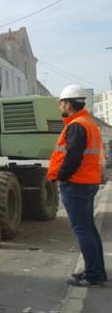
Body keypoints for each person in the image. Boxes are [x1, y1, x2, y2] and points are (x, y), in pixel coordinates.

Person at [47, 84, 106, 287]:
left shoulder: (76, 125)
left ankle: (93, 275)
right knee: (88, 228)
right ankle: (97, 271)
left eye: (61, 102)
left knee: (83, 230)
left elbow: (72, 157)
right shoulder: (87, 123)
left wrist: (61, 177)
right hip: (87, 182)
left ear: (68, 104)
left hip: (76, 184)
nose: (59, 105)